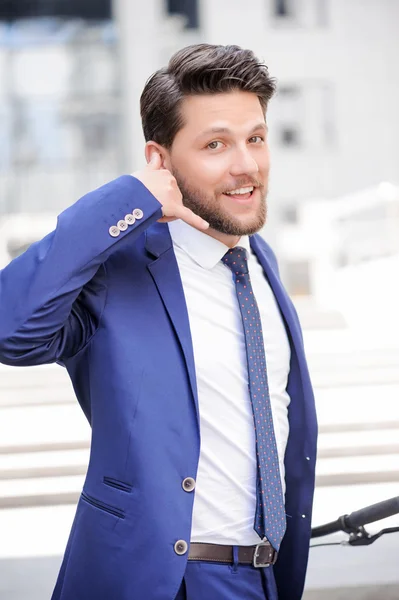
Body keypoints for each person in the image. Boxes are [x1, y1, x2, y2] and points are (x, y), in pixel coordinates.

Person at [0, 44, 317, 600]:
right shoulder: (116, 269)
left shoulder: (261, 263)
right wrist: (123, 201)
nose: (245, 164)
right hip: (158, 581)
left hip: (263, 578)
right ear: (161, 160)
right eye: (215, 144)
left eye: (256, 138)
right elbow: (10, 330)